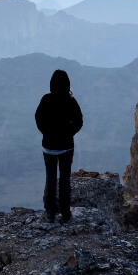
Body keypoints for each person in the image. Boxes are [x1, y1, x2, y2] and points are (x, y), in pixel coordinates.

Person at [35, 69, 83, 223]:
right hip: (66, 147)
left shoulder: (46, 99)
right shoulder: (71, 101)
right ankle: (66, 213)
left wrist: (47, 133)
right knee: (64, 180)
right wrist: (69, 134)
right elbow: (79, 121)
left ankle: (50, 212)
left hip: (48, 147)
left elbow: (38, 118)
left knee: (50, 179)